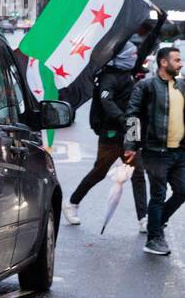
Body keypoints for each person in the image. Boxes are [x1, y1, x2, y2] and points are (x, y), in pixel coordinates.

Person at [63, 41, 148, 232]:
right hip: (111, 134)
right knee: (99, 172)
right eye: (131, 54)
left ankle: (144, 218)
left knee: (138, 173)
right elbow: (106, 101)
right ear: (123, 56)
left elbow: (145, 50)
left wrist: (159, 24)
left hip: (129, 132)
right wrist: (123, 119)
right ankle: (71, 203)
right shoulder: (108, 78)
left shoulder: (128, 73)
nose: (135, 57)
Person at [125, 45, 185, 256]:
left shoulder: (182, 86)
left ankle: (157, 222)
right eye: (177, 60)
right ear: (163, 62)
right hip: (155, 151)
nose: (180, 64)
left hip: (180, 151)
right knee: (158, 195)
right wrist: (130, 146)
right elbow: (132, 115)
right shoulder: (146, 86)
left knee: (182, 190)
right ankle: (153, 239)